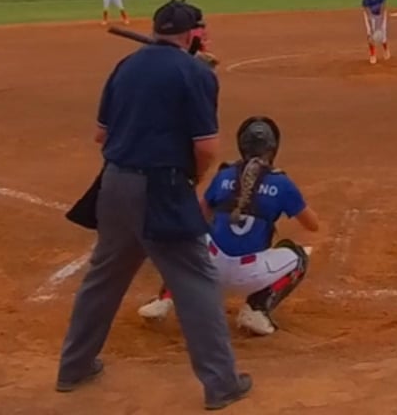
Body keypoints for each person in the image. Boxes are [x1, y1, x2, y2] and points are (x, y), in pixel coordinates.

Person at [55, 0, 252, 409]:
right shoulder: (195, 73)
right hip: (162, 190)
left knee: (103, 278)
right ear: (192, 34)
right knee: (195, 282)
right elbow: (205, 147)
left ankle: (74, 367)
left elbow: (101, 135)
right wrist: (192, 178)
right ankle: (221, 384)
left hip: (113, 184)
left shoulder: (127, 66)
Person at [138, 115, 322, 336]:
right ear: (273, 148)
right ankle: (257, 309)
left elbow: (197, 217)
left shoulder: (224, 175)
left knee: (189, 238)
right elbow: (313, 225)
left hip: (208, 269)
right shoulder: (281, 183)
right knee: (298, 256)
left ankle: (165, 298)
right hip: (251, 274)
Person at [362, 0, 390, 65]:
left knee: (382, 34)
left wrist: (379, 27)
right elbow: (369, 15)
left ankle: (386, 49)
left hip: (381, 15)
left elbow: (382, 10)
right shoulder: (366, 0)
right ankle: (372, 55)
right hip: (370, 16)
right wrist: (372, 29)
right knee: (370, 34)